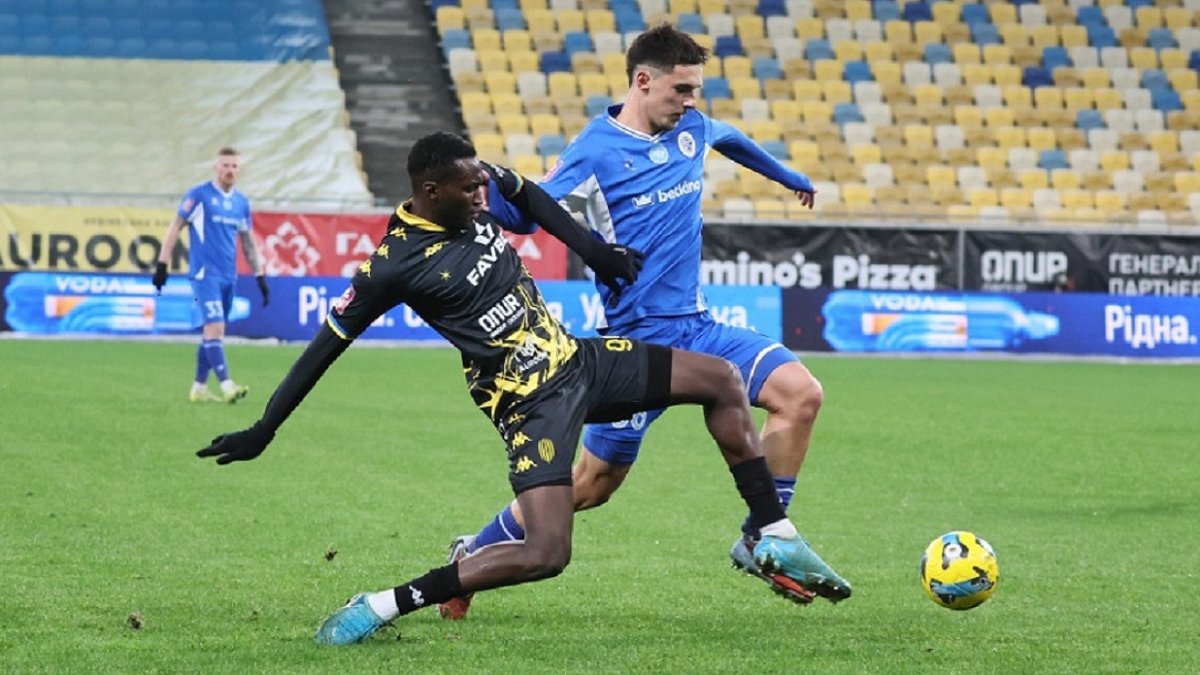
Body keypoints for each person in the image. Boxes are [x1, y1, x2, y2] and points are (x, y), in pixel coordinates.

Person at [195, 131, 848, 646]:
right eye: (471, 189)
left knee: (720, 379)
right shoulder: (392, 266)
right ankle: (384, 603)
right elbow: (324, 347)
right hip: (529, 404)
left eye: (483, 183)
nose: (485, 195)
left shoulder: (471, 184)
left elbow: (529, 196)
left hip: (578, 361)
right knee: (547, 552)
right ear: (430, 192)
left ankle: (768, 530)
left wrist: (595, 251)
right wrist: (265, 427)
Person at [450, 23, 842, 615]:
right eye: (681, 89)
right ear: (642, 80)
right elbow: (531, 213)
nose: (691, 102)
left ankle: (761, 536)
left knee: (801, 394)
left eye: (695, 90)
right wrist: (484, 187)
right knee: (591, 485)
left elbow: (731, 139)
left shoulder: (692, 129)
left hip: (700, 328)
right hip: (636, 347)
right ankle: (471, 555)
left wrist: (789, 178)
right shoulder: (594, 151)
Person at [153, 146, 270, 403]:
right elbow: (176, 226)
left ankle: (199, 387)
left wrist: (260, 275)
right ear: (216, 167)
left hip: (229, 276)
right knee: (216, 327)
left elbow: (248, 242)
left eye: (234, 166)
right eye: (225, 165)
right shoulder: (200, 195)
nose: (229, 170)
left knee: (213, 331)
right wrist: (162, 264)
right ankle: (227, 385)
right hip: (204, 275)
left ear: (240, 169)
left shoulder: (241, 203)